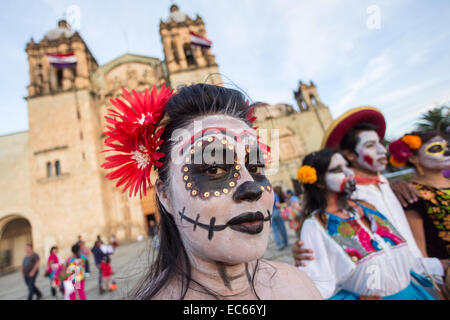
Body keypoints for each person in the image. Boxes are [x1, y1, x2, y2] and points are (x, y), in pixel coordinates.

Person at [102, 83, 322, 300]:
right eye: (213, 169)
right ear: (165, 195)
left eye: (255, 167)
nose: (252, 188)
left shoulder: (299, 285)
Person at [292, 107, 444, 281]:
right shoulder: (347, 199)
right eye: (370, 145)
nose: (382, 150)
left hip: (424, 275)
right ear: (349, 155)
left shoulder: (386, 183)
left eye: (380, 142)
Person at [297, 149, 448, 299]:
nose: (349, 173)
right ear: (319, 182)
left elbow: (400, 258)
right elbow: (318, 284)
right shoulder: (315, 226)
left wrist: (439, 266)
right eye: (337, 170)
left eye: (347, 166)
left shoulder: (368, 208)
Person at [388, 131, 450, 259]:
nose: (446, 151)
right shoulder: (411, 194)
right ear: (413, 159)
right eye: (436, 148)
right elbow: (419, 248)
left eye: (445, 146)